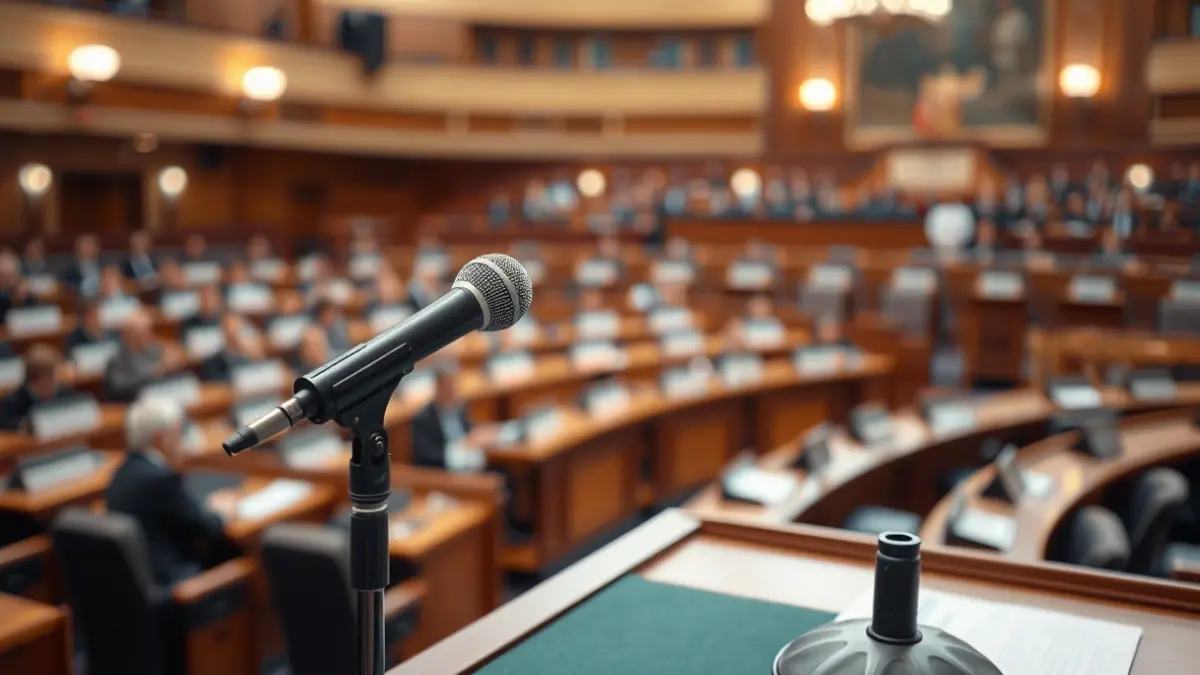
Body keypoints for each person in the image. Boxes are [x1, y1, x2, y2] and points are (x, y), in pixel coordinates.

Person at [106, 397, 236, 585]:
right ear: (163, 438)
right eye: (179, 433)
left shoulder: (123, 472)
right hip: (174, 580)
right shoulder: (160, 480)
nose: (182, 441)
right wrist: (220, 513)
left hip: (140, 578)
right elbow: (207, 527)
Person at [410, 363, 498, 470]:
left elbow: (470, 431)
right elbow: (426, 454)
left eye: (454, 385)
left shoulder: (460, 407)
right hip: (444, 469)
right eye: (448, 385)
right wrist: (460, 448)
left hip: (470, 460)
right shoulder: (423, 418)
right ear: (438, 386)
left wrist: (479, 435)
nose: (452, 390)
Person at [105, 308, 183, 401]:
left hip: (157, 395)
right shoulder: (117, 358)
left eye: (148, 331)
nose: (148, 336)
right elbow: (121, 386)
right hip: (132, 401)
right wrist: (157, 370)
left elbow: (168, 359)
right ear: (130, 335)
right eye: (143, 333)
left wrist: (169, 362)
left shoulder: (151, 348)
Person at [0, 345, 75, 432]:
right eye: (51, 379)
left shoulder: (65, 395)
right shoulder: (11, 405)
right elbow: (8, 427)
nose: (56, 383)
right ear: (35, 380)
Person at [200, 314, 265, 382]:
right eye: (230, 329)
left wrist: (256, 358)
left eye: (237, 328)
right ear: (223, 332)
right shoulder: (213, 362)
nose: (234, 333)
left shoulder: (252, 356)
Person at [0, 252, 35, 323]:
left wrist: (19, 300)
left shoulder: (23, 293)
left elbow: (31, 316)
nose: (6, 281)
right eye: (2, 276)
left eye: (9, 276)